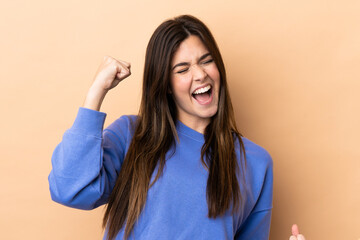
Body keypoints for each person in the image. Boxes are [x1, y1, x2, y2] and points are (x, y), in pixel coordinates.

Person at [48, 14, 304, 240]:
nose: (200, 74)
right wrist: (96, 92)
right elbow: (70, 190)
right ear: (166, 84)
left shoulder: (256, 163)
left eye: (206, 61)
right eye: (182, 69)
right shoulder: (132, 135)